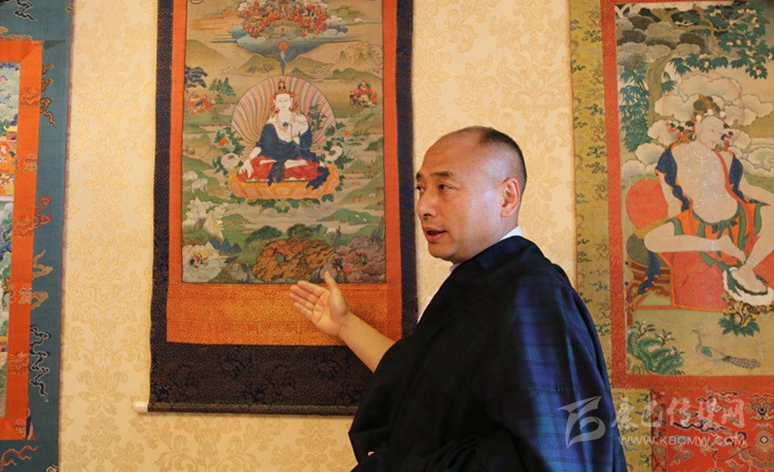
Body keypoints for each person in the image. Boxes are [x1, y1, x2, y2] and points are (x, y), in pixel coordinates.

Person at [290, 126, 626, 470]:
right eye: (421, 189)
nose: (423, 206)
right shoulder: (482, 283)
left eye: (444, 188)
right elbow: (419, 379)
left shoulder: (532, 296)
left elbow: (552, 460)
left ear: (507, 198)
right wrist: (345, 325)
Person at [644, 95, 774, 306]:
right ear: (697, 126)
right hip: (700, 222)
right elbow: (672, 199)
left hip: (739, 218)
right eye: (712, 130)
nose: (717, 137)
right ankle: (717, 244)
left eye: (720, 133)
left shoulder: (726, 157)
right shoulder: (673, 155)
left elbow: (747, 189)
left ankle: (747, 267)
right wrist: (676, 226)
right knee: (651, 240)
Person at [238, 79, 329, 189]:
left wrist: (297, 139)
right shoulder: (271, 122)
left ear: (291, 101)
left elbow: (307, 142)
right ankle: (286, 164)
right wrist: (248, 160)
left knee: (311, 168)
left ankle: (289, 164)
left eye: (286, 100)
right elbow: (261, 146)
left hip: (295, 155)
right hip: (274, 156)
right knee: (253, 168)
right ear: (275, 103)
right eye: (280, 101)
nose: (283, 104)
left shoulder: (299, 118)